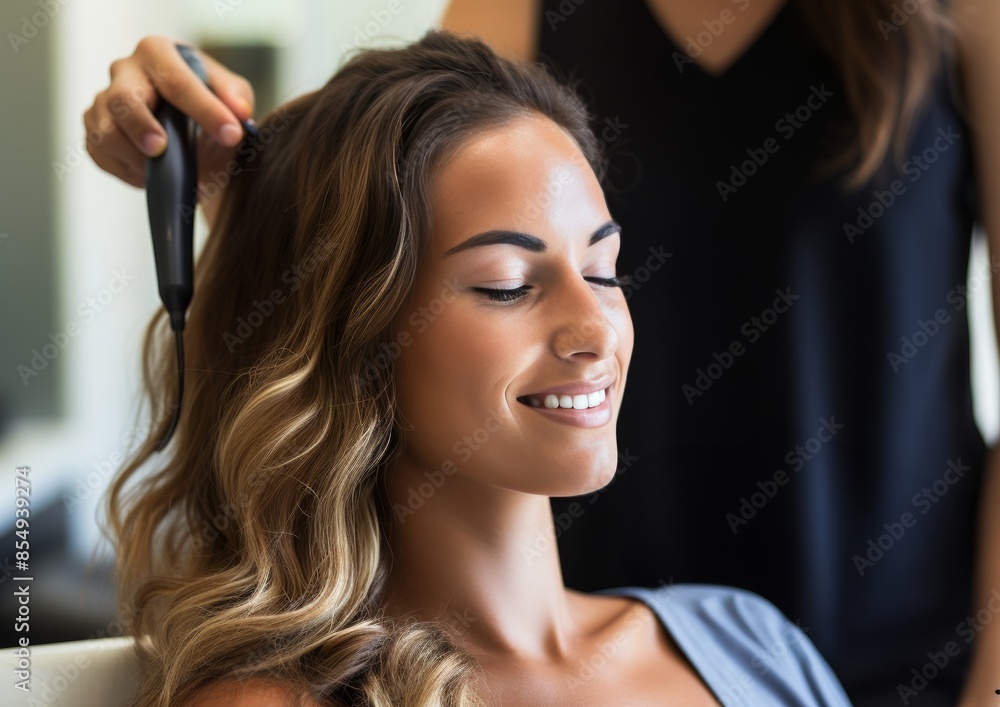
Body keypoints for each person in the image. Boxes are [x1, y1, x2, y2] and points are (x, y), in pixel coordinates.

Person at [83, 2, 1000, 705]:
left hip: (909, 641)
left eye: (608, 271)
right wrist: (234, 172)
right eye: (507, 286)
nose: (599, 328)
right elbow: (376, 211)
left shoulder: (752, 645)